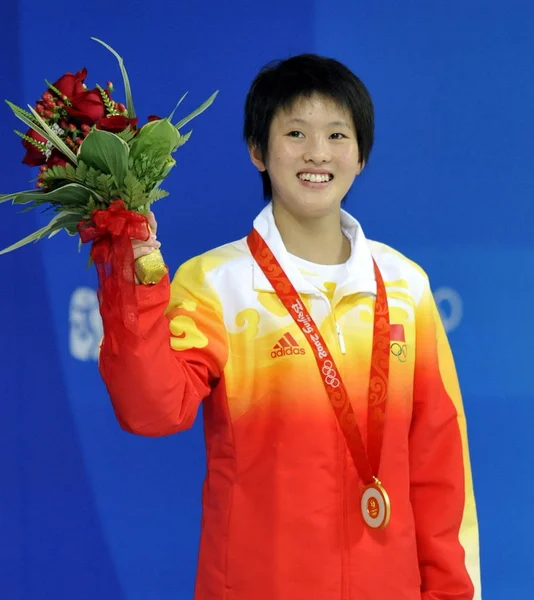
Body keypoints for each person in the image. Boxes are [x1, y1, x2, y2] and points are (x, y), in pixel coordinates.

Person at [98, 54, 481, 600]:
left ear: (361, 155)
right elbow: (152, 409)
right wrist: (131, 271)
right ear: (258, 151)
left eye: (337, 134)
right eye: (296, 132)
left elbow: (439, 464)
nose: (317, 153)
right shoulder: (216, 282)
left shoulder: (405, 288)